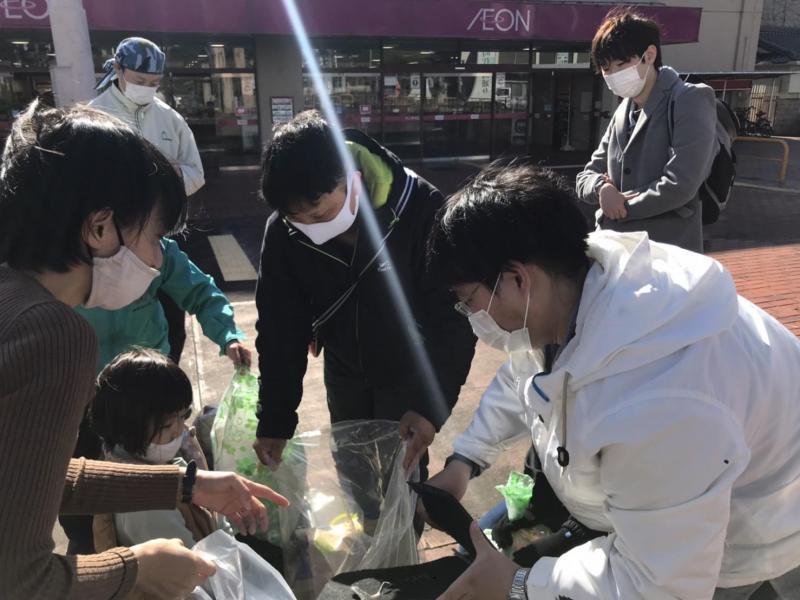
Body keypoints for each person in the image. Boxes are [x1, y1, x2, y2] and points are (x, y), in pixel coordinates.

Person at [422, 161, 800, 599]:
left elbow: (660, 583)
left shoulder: (660, 397)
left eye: (469, 302)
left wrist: (521, 584)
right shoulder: (567, 292)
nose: (473, 318)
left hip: (747, 533)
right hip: (671, 511)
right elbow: (525, 379)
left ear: (517, 279)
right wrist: (464, 461)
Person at [0, 100, 288, 600]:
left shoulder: (11, 299)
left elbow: (34, 475)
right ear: (99, 228)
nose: (159, 257)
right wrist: (135, 568)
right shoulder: (55, 334)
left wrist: (184, 486)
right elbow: (21, 580)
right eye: (157, 235)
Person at [253, 111, 476, 481]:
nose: (311, 228)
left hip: (408, 368)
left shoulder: (418, 207)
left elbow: (452, 318)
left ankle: (404, 536)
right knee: (353, 470)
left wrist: (428, 408)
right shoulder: (282, 231)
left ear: (351, 179)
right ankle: (368, 531)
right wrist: (275, 419)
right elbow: (279, 328)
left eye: (320, 213)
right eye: (298, 220)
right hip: (344, 369)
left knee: (402, 477)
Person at [91, 36, 205, 364]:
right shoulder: (95, 117)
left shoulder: (170, 119)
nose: (147, 88)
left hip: (161, 238)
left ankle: (166, 388)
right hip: (113, 244)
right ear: (117, 69)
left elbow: (196, 173)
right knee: (119, 324)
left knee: (172, 324)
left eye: (154, 83)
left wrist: (162, 183)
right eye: (140, 81)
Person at [576, 9, 717, 252]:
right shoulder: (622, 111)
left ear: (649, 55)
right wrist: (602, 187)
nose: (612, 76)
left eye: (620, 64)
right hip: (617, 250)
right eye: (605, 69)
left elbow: (680, 184)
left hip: (667, 253)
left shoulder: (689, 99)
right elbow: (585, 177)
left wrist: (619, 207)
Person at [90, 349, 231, 549]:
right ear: (128, 426)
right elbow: (192, 570)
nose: (180, 430)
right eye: (167, 425)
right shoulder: (146, 505)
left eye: (184, 415)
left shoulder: (150, 459)